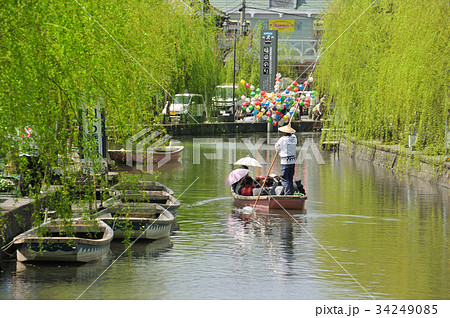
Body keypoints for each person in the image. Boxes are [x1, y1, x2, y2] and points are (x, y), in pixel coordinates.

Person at [275, 124, 297, 195]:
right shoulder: (294, 138)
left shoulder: (282, 139)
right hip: (292, 162)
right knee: (290, 178)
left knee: (284, 179)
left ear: (284, 133)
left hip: (285, 162)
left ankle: (287, 194)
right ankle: (291, 192)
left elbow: (277, 148)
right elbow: (293, 135)